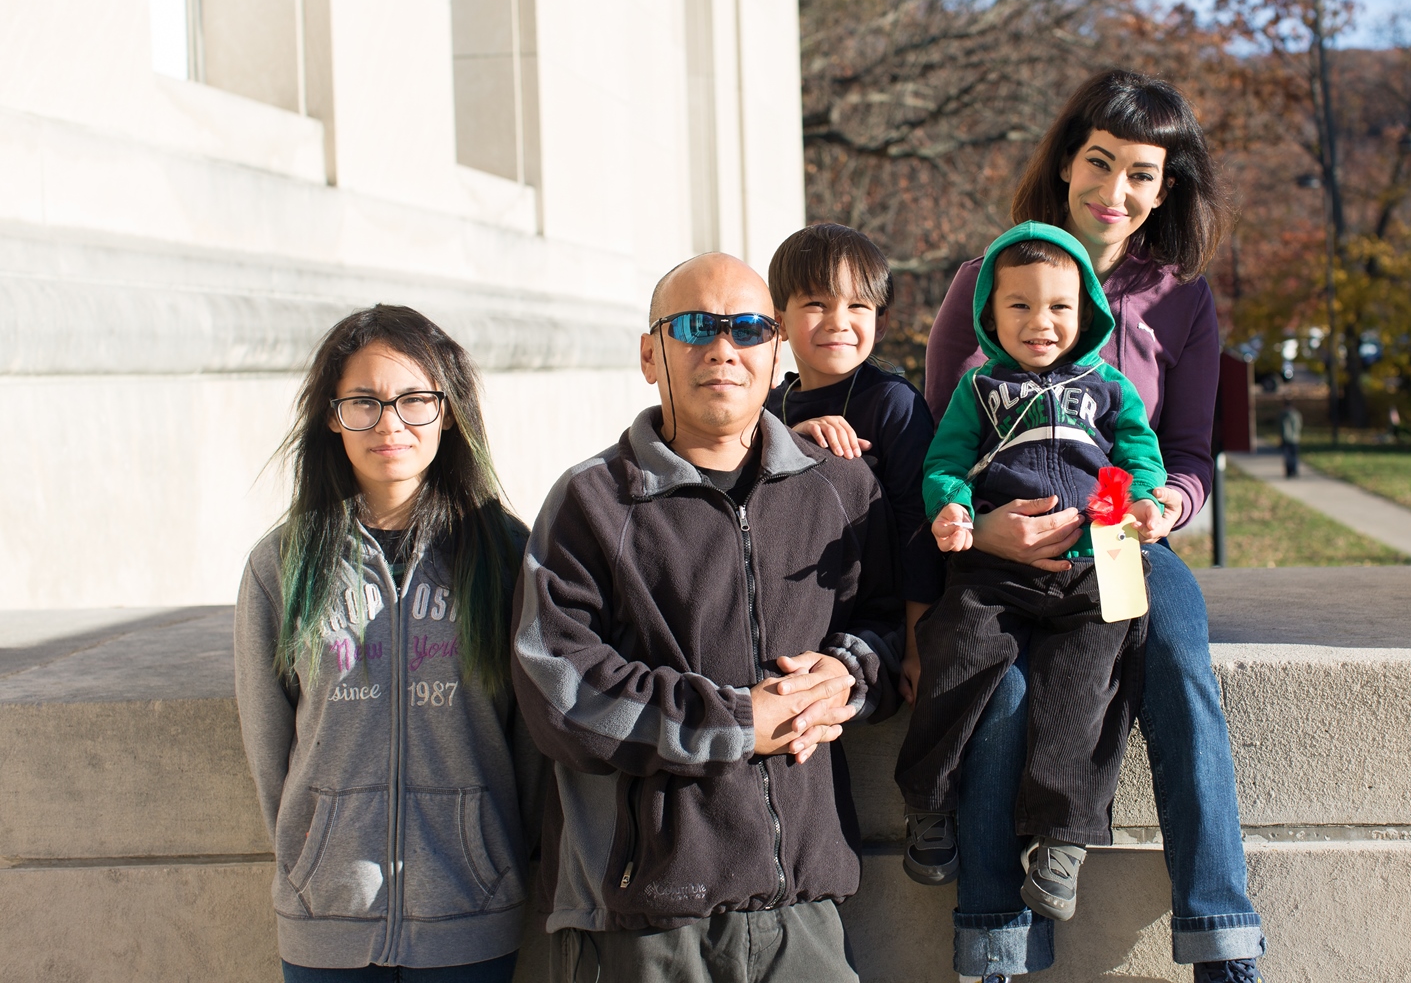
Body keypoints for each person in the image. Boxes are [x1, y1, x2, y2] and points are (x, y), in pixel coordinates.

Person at [923, 70, 1265, 983]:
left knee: (1179, 662)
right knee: (1001, 691)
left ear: (1167, 189)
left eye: (1142, 175)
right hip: (1005, 542)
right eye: (1100, 164)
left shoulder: (1181, 300)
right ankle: (995, 946)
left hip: (1116, 535)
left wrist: (1160, 510)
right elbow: (943, 438)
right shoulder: (983, 281)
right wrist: (984, 526)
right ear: (1067, 162)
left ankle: (1222, 938)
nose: (1115, 193)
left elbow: (1189, 452)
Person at [511, 253, 901, 983]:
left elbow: (891, 623)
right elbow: (555, 686)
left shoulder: (842, 487)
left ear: (775, 350)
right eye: (695, 327)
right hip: (644, 917)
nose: (723, 348)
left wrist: (845, 676)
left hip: (803, 908)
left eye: (748, 328)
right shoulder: (591, 502)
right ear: (650, 354)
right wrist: (732, 720)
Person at [234, 305, 537, 983]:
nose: (390, 424)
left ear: (449, 411)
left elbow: (532, 742)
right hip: (327, 912)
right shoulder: (281, 565)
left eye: (414, 401)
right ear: (332, 416)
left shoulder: (506, 554)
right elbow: (269, 745)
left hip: (472, 909)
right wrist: (311, 853)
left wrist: (496, 858)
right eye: (364, 402)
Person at [897, 222, 1165, 924]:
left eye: (1057, 308)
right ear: (990, 314)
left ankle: (1063, 837)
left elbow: (1139, 456)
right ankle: (929, 803)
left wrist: (1136, 505)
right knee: (956, 656)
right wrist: (953, 510)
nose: (1040, 323)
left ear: (1087, 316)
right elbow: (946, 462)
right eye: (1019, 306)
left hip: (1090, 567)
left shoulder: (1108, 388)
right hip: (994, 566)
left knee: (1085, 690)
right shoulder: (979, 389)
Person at [764, 222, 946, 704]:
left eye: (858, 306)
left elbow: (917, 524)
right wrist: (790, 440)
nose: (838, 321)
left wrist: (916, 645)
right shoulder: (766, 407)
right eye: (817, 304)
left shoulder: (893, 402)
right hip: (786, 603)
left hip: (873, 611)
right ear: (779, 320)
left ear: (881, 323)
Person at [1279, 397, 1303, 478]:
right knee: (1294, 456)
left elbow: (1283, 428)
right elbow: (1299, 425)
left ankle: (1290, 472)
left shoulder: (1283, 415)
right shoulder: (1296, 414)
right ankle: (1294, 471)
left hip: (1287, 439)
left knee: (1288, 456)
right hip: (1295, 438)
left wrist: (1283, 437)